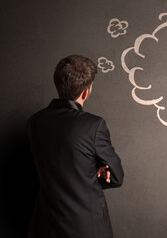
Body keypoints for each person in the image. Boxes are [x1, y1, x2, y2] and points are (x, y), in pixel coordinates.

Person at [26, 55, 124, 238]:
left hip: (45, 226)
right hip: (86, 228)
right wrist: (96, 170)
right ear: (86, 92)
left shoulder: (34, 122)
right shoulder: (93, 125)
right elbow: (117, 177)